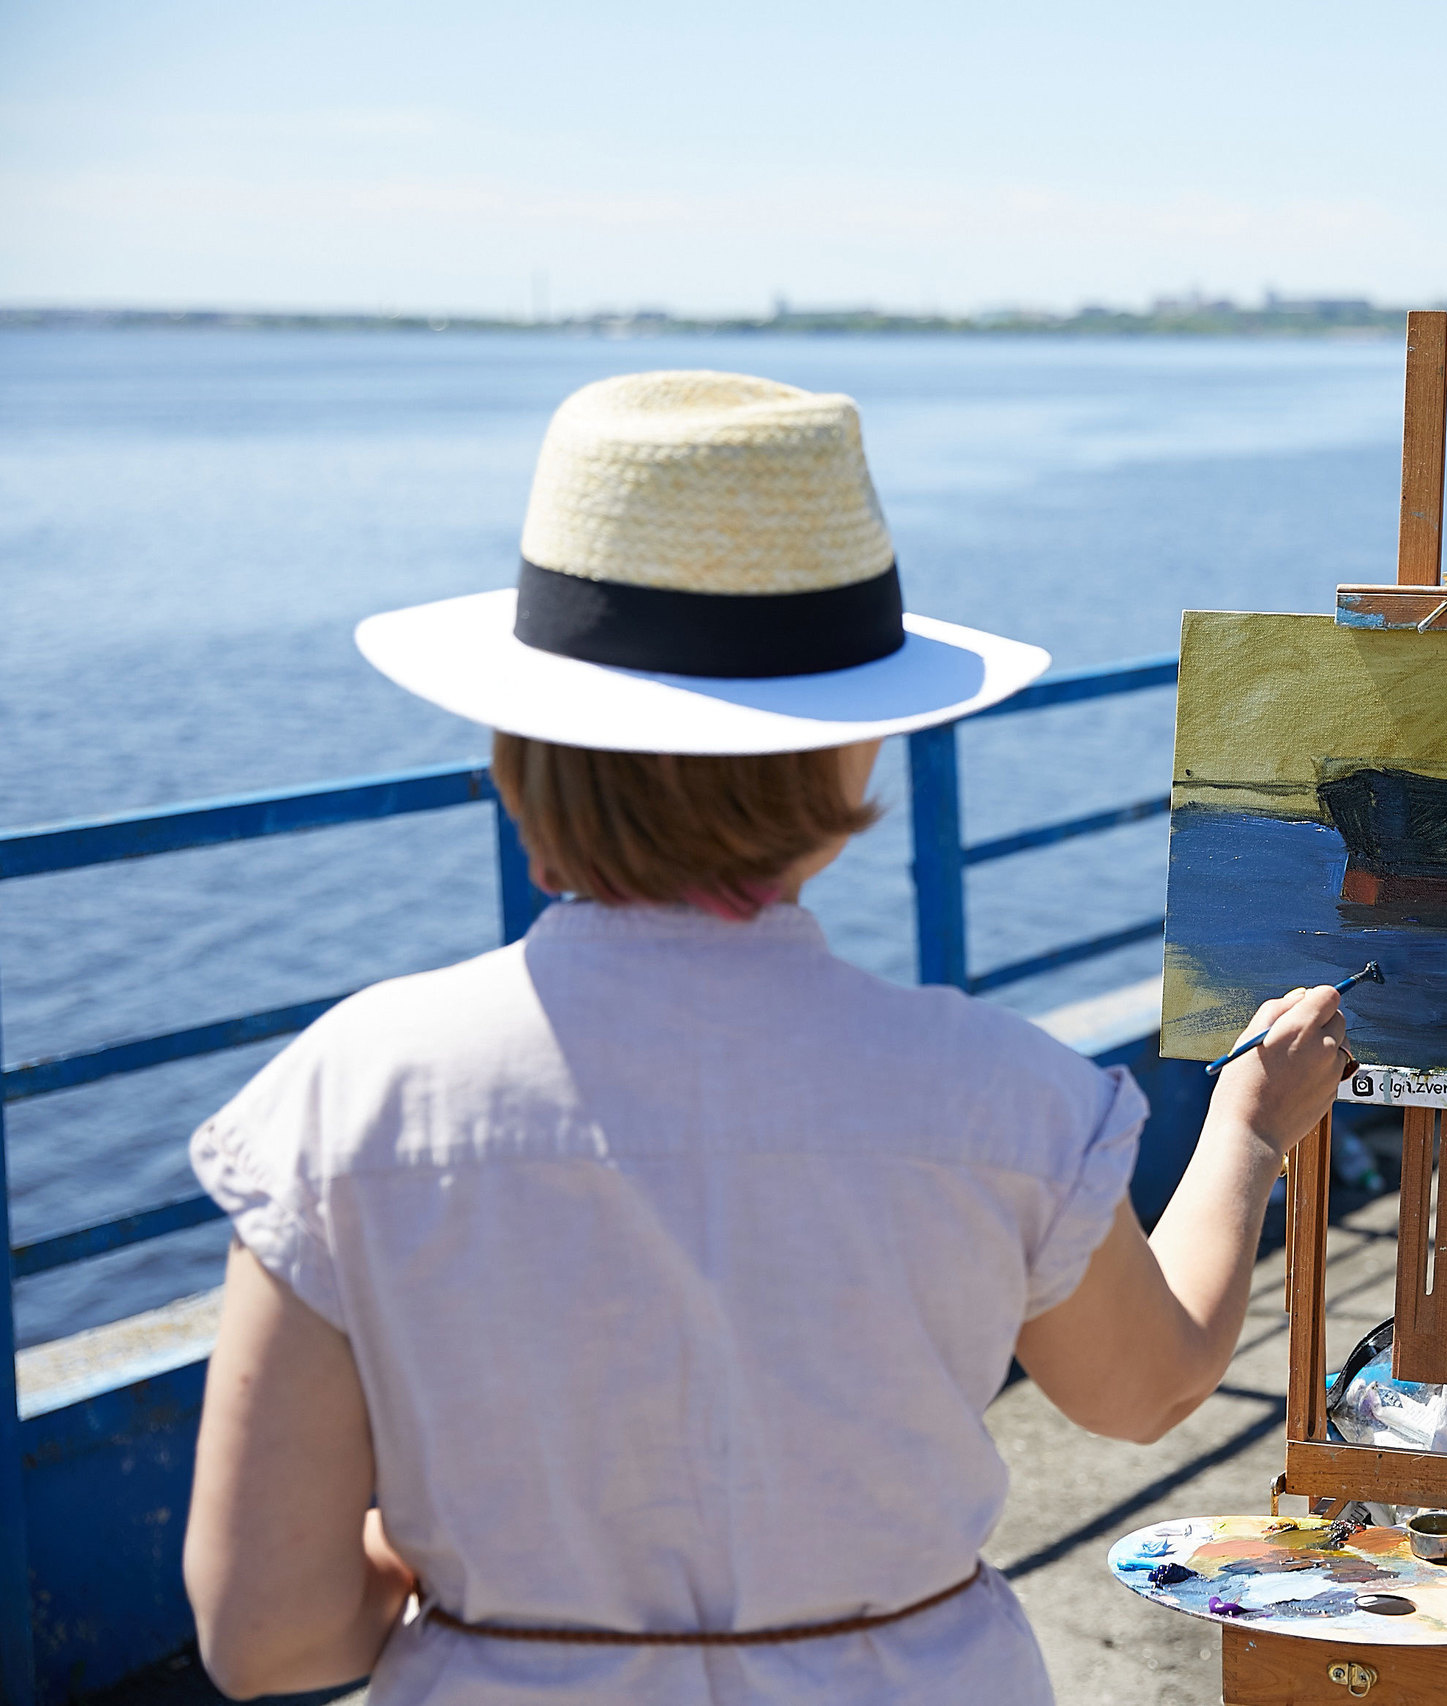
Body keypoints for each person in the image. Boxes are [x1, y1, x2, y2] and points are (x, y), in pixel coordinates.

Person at [180, 370, 1351, 1704]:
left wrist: (419, 1571)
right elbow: (1145, 1389)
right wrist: (1249, 1128)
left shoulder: (352, 1097)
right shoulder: (999, 1096)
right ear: (851, 758)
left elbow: (266, 1635)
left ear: (518, 749)